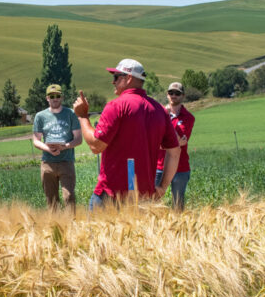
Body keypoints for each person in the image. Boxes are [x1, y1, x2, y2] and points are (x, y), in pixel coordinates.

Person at [73, 58, 180, 210]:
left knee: (98, 234)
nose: (113, 82)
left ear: (128, 78)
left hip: (110, 196)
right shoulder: (160, 110)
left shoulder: (116, 106)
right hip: (144, 199)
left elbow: (95, 146)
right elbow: (175, 152)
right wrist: (162, 187)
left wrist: (83, 116)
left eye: (116, 77)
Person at [32, 84, 82, 211]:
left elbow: (78, 139)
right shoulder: (40, 116)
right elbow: (36, 140)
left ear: (62, 97)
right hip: (48, 163)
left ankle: (72, 227)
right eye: (52, 96)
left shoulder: (71, 114)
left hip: (66, 161)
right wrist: (49, 149)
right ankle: (55, 227)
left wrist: (64, 147)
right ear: (47, 98)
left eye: (58, 96)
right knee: (51, 201)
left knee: (69, 197)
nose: (55, 98)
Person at [156, 82, 194, 210]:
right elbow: (157, 140)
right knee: (153, 202)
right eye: (171, 93)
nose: (173, 95)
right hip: (159, 165)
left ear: (182, 96)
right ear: (167, 95)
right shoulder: (157, 114)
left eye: (177, 93)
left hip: (181, 168)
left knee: (178, 205)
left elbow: (181, 141)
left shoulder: (189, 118)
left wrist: (166, 118)